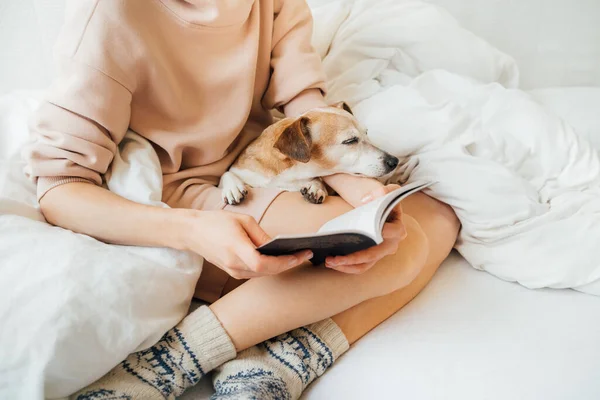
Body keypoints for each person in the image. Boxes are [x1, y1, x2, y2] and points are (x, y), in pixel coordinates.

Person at [25, 0, 460, 399]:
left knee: (438, 216)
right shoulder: (110, 17)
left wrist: (355, 186)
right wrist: (192, 230)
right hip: (193, 194)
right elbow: (60, 189)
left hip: (266, 164)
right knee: (406, 250)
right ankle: (168, 362)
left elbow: (303, 103)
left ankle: (276, 356)